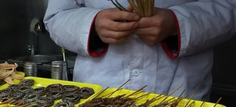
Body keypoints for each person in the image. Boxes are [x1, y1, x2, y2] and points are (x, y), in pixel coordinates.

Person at [44, 0, 236, 100]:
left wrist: (177, 23)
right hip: (98, 93)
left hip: (181, 92)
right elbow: (56, 17)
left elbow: (230, 7)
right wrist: (93, 24)